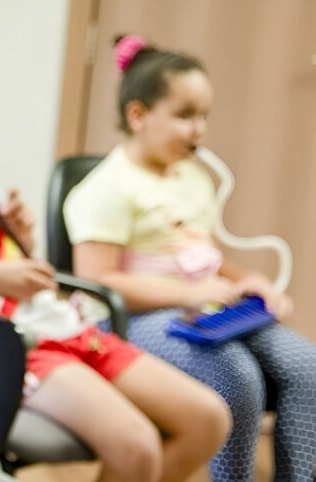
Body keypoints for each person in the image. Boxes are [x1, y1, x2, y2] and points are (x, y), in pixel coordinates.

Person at [0, 20, 230, 481]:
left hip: (55, 322)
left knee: (208, 421)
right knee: (137, 449)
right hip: (0, 343)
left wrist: (21, 239)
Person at [66, 34, 316, 481]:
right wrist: (191, 291)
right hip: (127, 321)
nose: (198, 130)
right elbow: (100, 281)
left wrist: (246, 280)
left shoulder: (193, 180)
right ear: (138, 115)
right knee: (236, 379)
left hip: (197, 308)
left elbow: (203, 260)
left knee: (306, 367)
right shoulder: (106, 189)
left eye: (204, 116)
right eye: (184, 116)